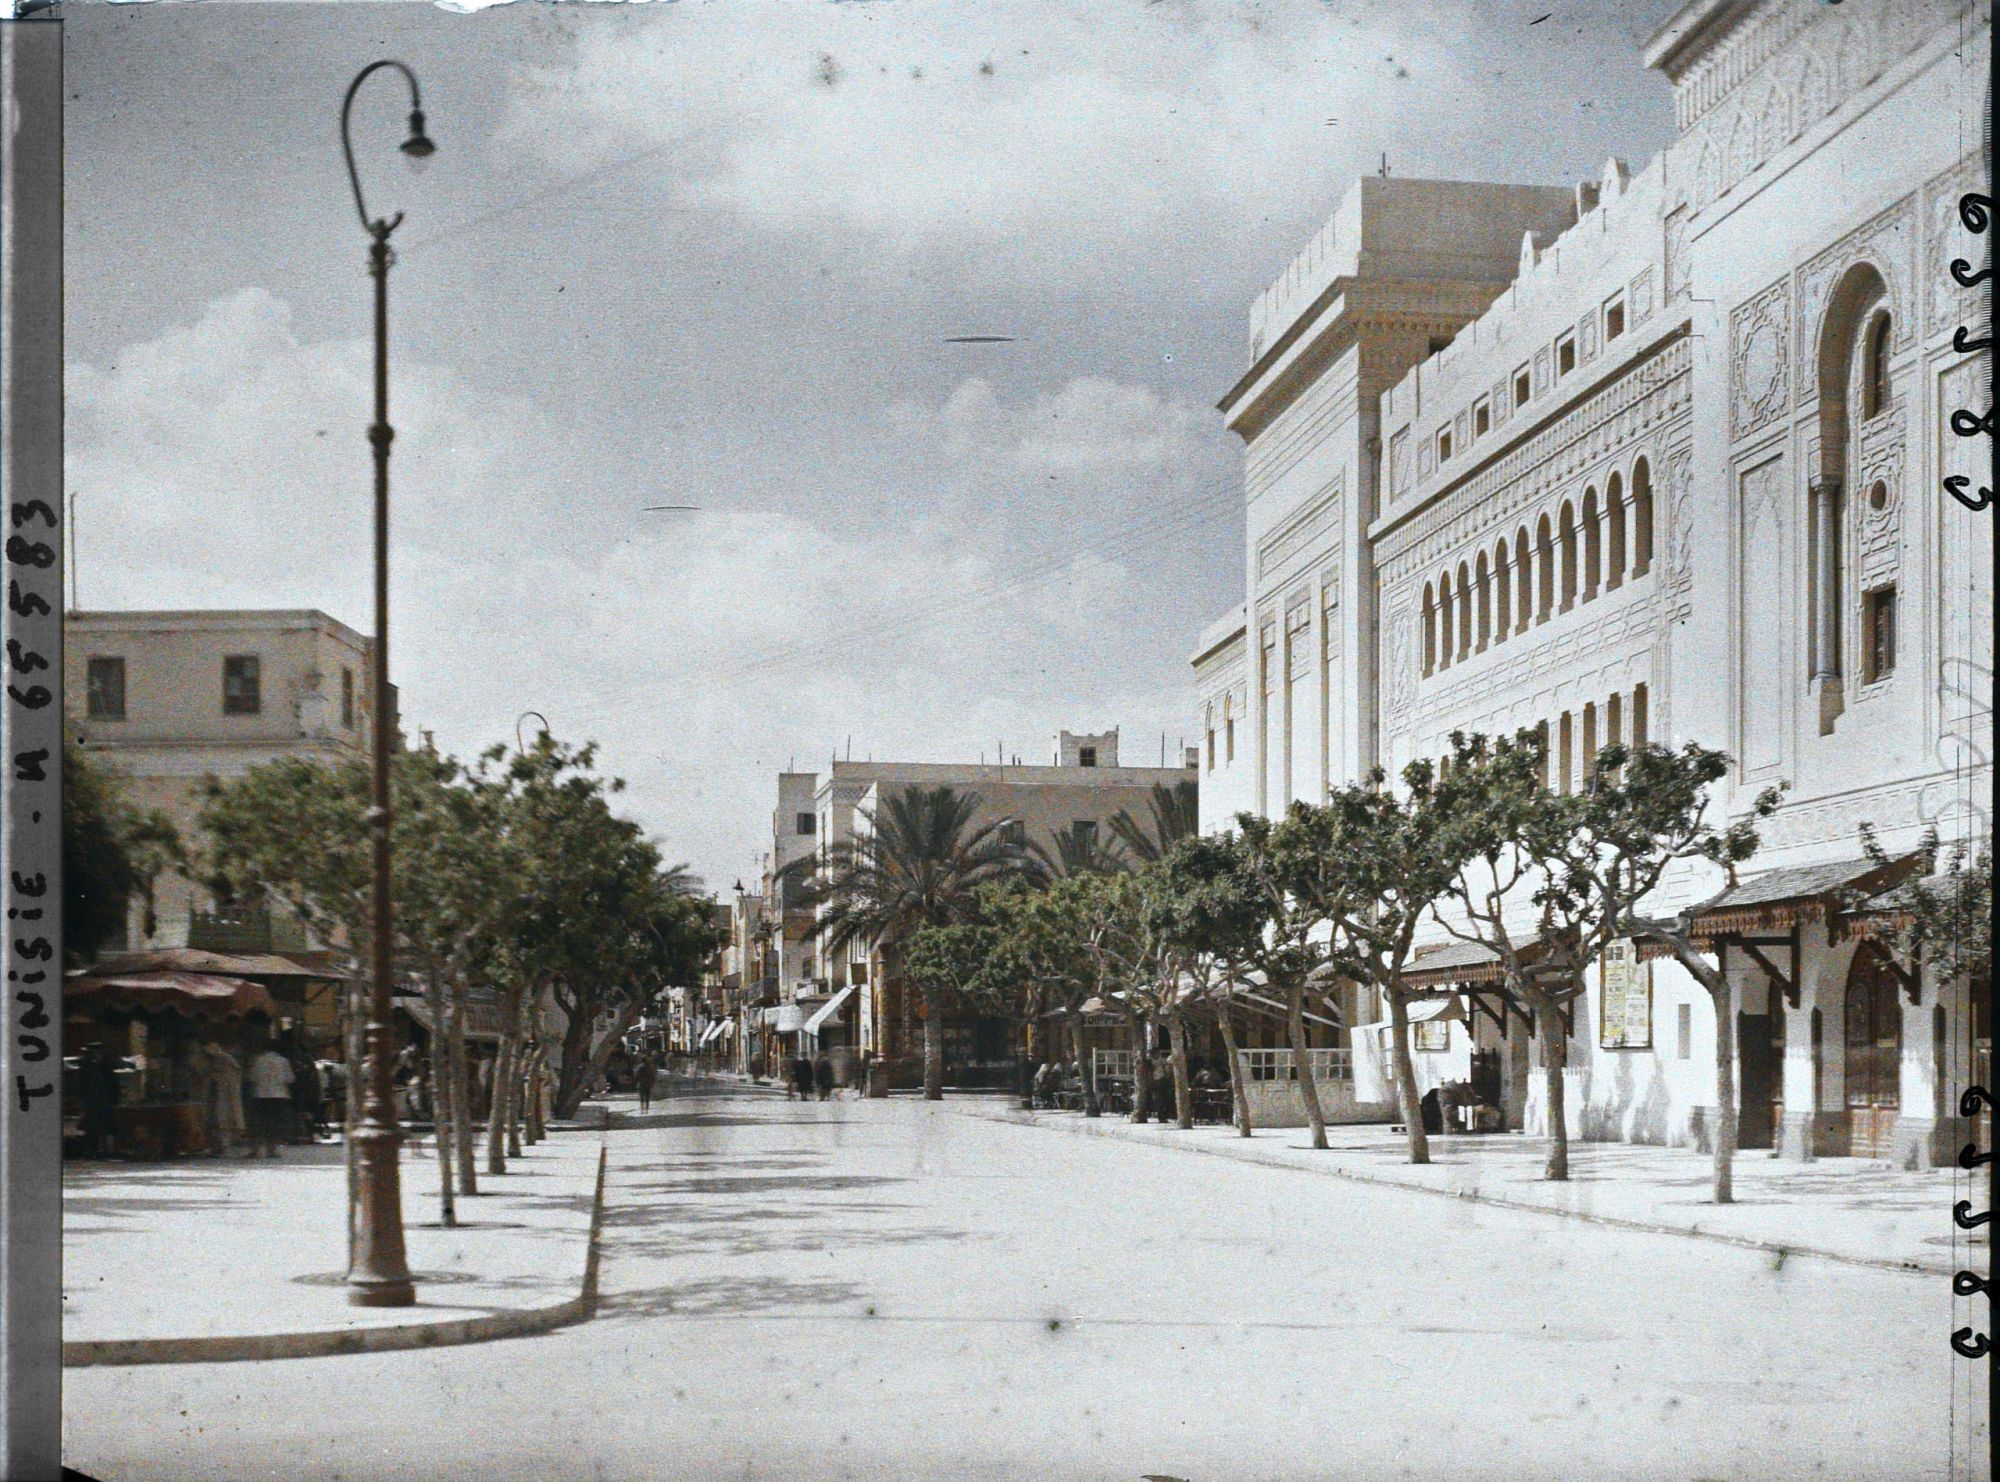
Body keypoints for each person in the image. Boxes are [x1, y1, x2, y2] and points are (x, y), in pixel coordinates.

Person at [246, 1041, 295, 1158]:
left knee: (259, 1122)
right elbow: (290, 1079)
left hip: (260, 1094)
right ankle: (272, 1149)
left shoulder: (257, 1060)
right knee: (276, 1122)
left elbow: (251, 1077)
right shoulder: (283, 1061)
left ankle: (256, 1149)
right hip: (279, 1095)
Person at [77, 1042, 121, 1159]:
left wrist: (114, 1100)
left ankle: (104, 1150)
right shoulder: (86, 1067)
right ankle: (92, 1151)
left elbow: (113, 1084)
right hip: (92, 1102)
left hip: (104, 1102)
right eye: (94, 1052)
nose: (97, 1054)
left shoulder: (104, 1067)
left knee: (106, 1127)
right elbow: (81, 1086)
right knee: (92, 1127)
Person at [210, 1041, 245, 1157]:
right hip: (224, 1099)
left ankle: (227, 1145)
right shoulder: (222, 1075)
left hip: (228, 1099)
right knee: (224, 1119)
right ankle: (225, 1146)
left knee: (227, 1118)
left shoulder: (231, 1074)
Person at [290, 1045, 324, 1142]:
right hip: (309, 1090)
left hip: (299, 1090)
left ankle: (302, 1135)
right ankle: (309, 1135)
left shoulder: (294, 1060)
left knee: (300, 1113)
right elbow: (314, 1077)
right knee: (307, 1113)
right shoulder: (309, 1060)